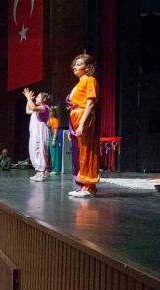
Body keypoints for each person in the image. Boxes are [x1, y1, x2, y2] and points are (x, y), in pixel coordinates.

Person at [67, 54, 99, 197]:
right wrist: (72, 128)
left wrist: (81, 123)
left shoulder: (90, 80)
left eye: (79, 64)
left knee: (86, 151)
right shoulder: (78, 84)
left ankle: (88, 186)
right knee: (78, 152)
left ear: (88, 67)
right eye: (75, 63)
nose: (75, 66)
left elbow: (90, 103)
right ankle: (81, 185)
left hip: (82, 117)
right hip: (75, 117)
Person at [24, 88, 51, 181]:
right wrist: (28, 99)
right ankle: (38, 172)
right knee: (34, 150)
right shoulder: (37, 109)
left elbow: (33, 108)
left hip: (41, 131)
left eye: (39, 97)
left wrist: (28, 97)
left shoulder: (45, 107)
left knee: (40, 150)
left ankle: (42, 173)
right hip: (35, 132)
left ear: (44, 99)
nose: (36, 98)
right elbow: (28, 111)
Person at [48, 106, 61, 174]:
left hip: (53, 136)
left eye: (51, 111)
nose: (49, 113)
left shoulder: (55, 120)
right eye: (49, 111)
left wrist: (54, 139)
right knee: (49, 153)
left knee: (54, 153)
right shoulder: (47, 120)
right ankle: (49, 168)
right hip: (48, 136)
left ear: (53, 112)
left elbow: (55, 131)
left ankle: (55, 169)